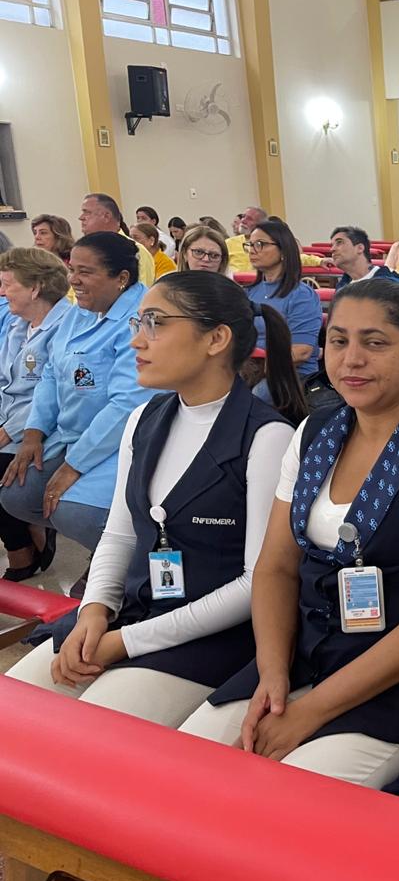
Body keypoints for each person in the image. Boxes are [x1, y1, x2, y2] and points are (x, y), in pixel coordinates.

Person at [176, 278, 399, 791]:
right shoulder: (315, 433)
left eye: (375, 343)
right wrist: (272, 675)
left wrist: (309, 713)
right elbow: (275, 567)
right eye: (339, 341)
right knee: (185, 766)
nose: (352, 359)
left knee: (276, 797)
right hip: (307, 657)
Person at [5, 271, 300, 723]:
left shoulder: (267, 438)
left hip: (213, 635)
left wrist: (126, 642)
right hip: (135, 612)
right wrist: (94, 610)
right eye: (138, 323)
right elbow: (120, 535)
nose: (137, 341)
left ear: (216, 338)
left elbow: (257, 582)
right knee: (15, 708)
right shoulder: (145, 418)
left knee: (89, 728)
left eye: (155, 323)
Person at [0, 233, 155, 571]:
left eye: (85, 272)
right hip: (72, 434)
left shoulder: (138, 320)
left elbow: (125, 406)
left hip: (122, 442)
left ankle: (130, 564)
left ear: (121, 278)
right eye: (72, 269)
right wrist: (33, 432)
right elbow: (51, 373)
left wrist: (73, 466)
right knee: (18, 495)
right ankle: (105, 548)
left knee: (73, 511)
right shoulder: (81, 312)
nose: (73, 280)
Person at [0, 249, 73, 579]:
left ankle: (22, 549)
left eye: (8, 284)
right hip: (12, 421)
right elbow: (5, 382)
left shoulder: (66, 326)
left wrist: (10, 430)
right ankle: (23, 540)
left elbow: (56, 393)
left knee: (4, 475)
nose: (2, 293)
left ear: (35, 288)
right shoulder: (18, 325)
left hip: (46, 429)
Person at [242, 219, 323, 394]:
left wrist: (257, 369)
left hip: (292, 374)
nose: (252, 250)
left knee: (257, 394)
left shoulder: (301, 295)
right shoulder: (249, 292)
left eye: (260, 244)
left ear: (283, 251)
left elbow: (301, 352)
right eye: (250, 245)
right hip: (251, 368)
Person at [80, 193, 155, 286]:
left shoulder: (136, 252)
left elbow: (140, 292)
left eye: (87, 212)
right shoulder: (85, 250)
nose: (81, 218)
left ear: (106, 216)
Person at [330, 226, 399, 290]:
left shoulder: (388, 284)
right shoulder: (342, 286)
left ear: (360, 248)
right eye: (332, 245)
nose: (332, 249)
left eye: (339, 242)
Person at [225, 206, 266, 274]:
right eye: (243, 216)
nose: (243, 221)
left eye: (249, 219)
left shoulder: (267, 245)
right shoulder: (228, 243)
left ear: (260, 224)